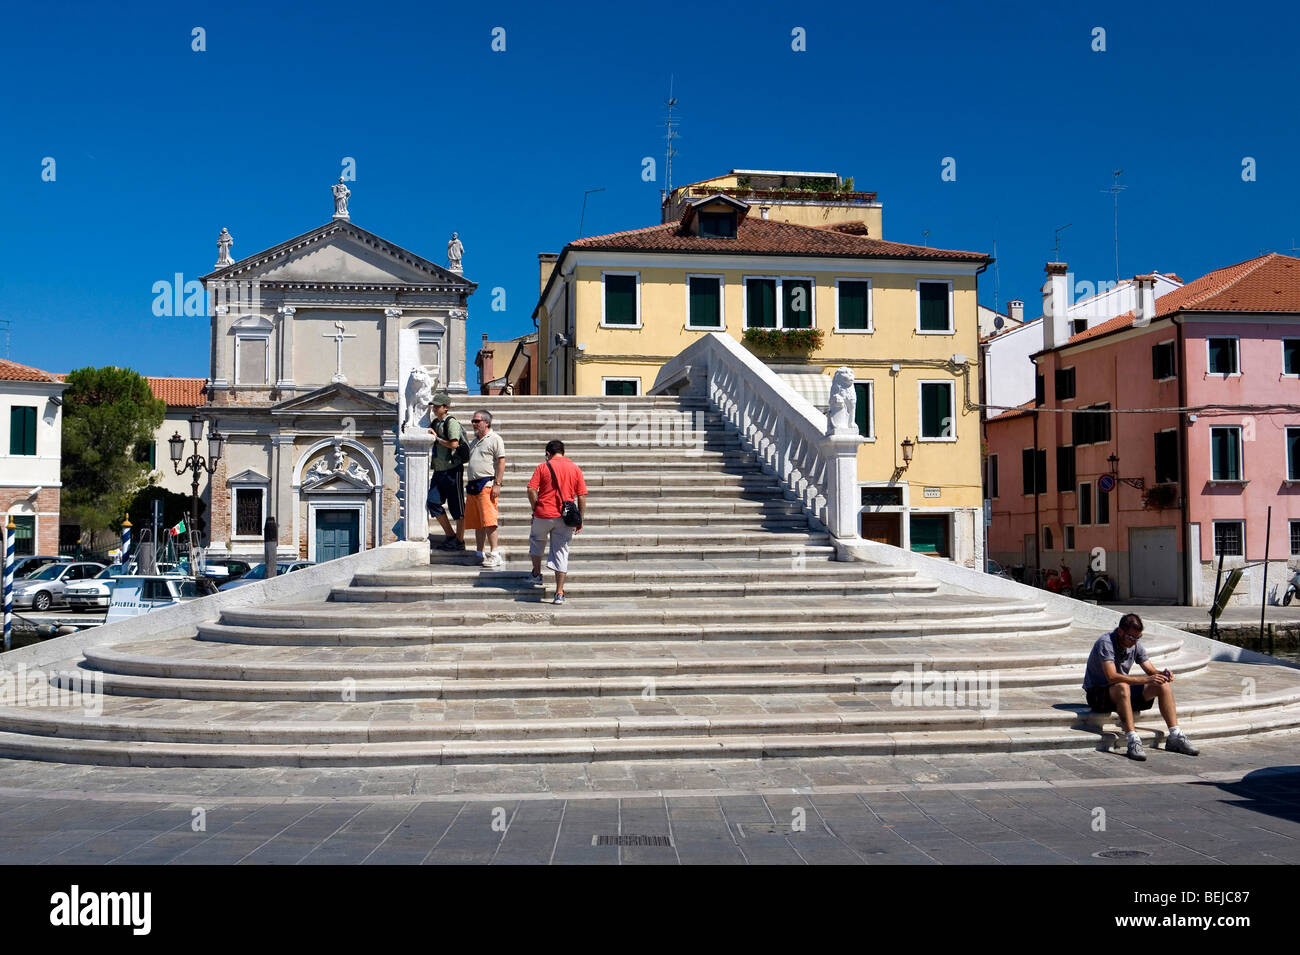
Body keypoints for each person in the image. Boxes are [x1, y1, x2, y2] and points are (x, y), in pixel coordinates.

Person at [1082, 613, 1199, 761]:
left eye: (1138, 638)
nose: (1134, 641)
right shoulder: (1106, 643)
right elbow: (1111, 677)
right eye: (1131, 637)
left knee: (1162, 684)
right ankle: (1132, 739)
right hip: (1098, 695)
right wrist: (1145, 679)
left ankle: (1175, 735)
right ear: (1120, 632)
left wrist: (1162, 674)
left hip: (1122, 693)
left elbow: (1151, 670)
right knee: (1123, 686)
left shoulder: (1135, 644)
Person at [526, 439, 587, 605]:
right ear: (563, 452)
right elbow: (581, 496)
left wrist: (535, 507)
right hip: (565, 517)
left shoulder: (542, 467)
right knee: (561, 551)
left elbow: (531, 489)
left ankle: (536, 574)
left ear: (547, 453)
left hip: (543, 513)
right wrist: (580, 518)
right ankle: (559, 593)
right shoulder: (575, 468)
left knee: (536, 542)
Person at [464, 409, 506, 567]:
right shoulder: (474, 441)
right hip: (473, 484)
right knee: (477, 522)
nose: (473, 424)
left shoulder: (495, 439)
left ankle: (495, 553)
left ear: (486, 423)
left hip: (487, 484)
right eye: (473, 421)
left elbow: (501, 461)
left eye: (477, 421)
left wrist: (497, 483)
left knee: (489, 520)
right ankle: (479, 552)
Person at [428, 391, 465, 551]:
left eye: (437, 406)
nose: (434, 409)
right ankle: (451, 535)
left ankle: (460, 540)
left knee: (457, 508)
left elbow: (454, 444)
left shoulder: (451, 423)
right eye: (433, 406)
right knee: (433, 502)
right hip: (439, 470)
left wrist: (437, 439)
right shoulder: (436, 423)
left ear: (446, 407)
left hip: (453, 470)